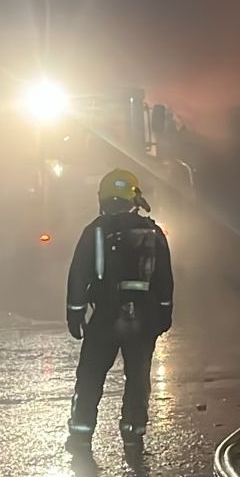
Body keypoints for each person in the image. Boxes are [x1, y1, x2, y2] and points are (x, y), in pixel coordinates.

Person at [66, 168, 175, 446]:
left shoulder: (95, 231)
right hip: (144, 318)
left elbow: (79, 273)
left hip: (105, 316)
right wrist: (164, 313)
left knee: (90, 376)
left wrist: (75, 313)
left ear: (103, 197)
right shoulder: (152, 231)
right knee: (138, 378)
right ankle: (133, 432)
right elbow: (164, 277)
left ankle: (81, 434)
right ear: (134, 198)